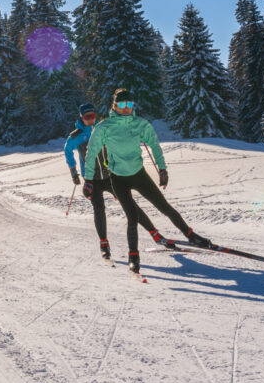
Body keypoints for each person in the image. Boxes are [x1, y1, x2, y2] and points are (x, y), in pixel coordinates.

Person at [82, 88, 212, 274]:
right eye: (122, 104)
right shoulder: (104, 127)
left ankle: (191, 235)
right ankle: (133, 257)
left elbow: (154, 146)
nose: (126, 108)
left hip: (139, 174)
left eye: (129, 104)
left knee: (164, 206)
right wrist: (88, 180)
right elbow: (91, 153)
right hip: (118, 179)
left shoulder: (140, 124)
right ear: (115, 105)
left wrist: (162, 168)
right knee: (132, 217)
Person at [64, 102, 175, 260]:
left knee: (131, 207)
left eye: (93, 116)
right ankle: (104, 243)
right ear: (81, 117)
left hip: (111, 175)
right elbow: (67, 150)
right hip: (92, 180)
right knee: (99, 209)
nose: (91, 119)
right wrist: (73, 171)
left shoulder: (105, 127)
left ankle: (155, 234)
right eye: (87, 117)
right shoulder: (76, 135)